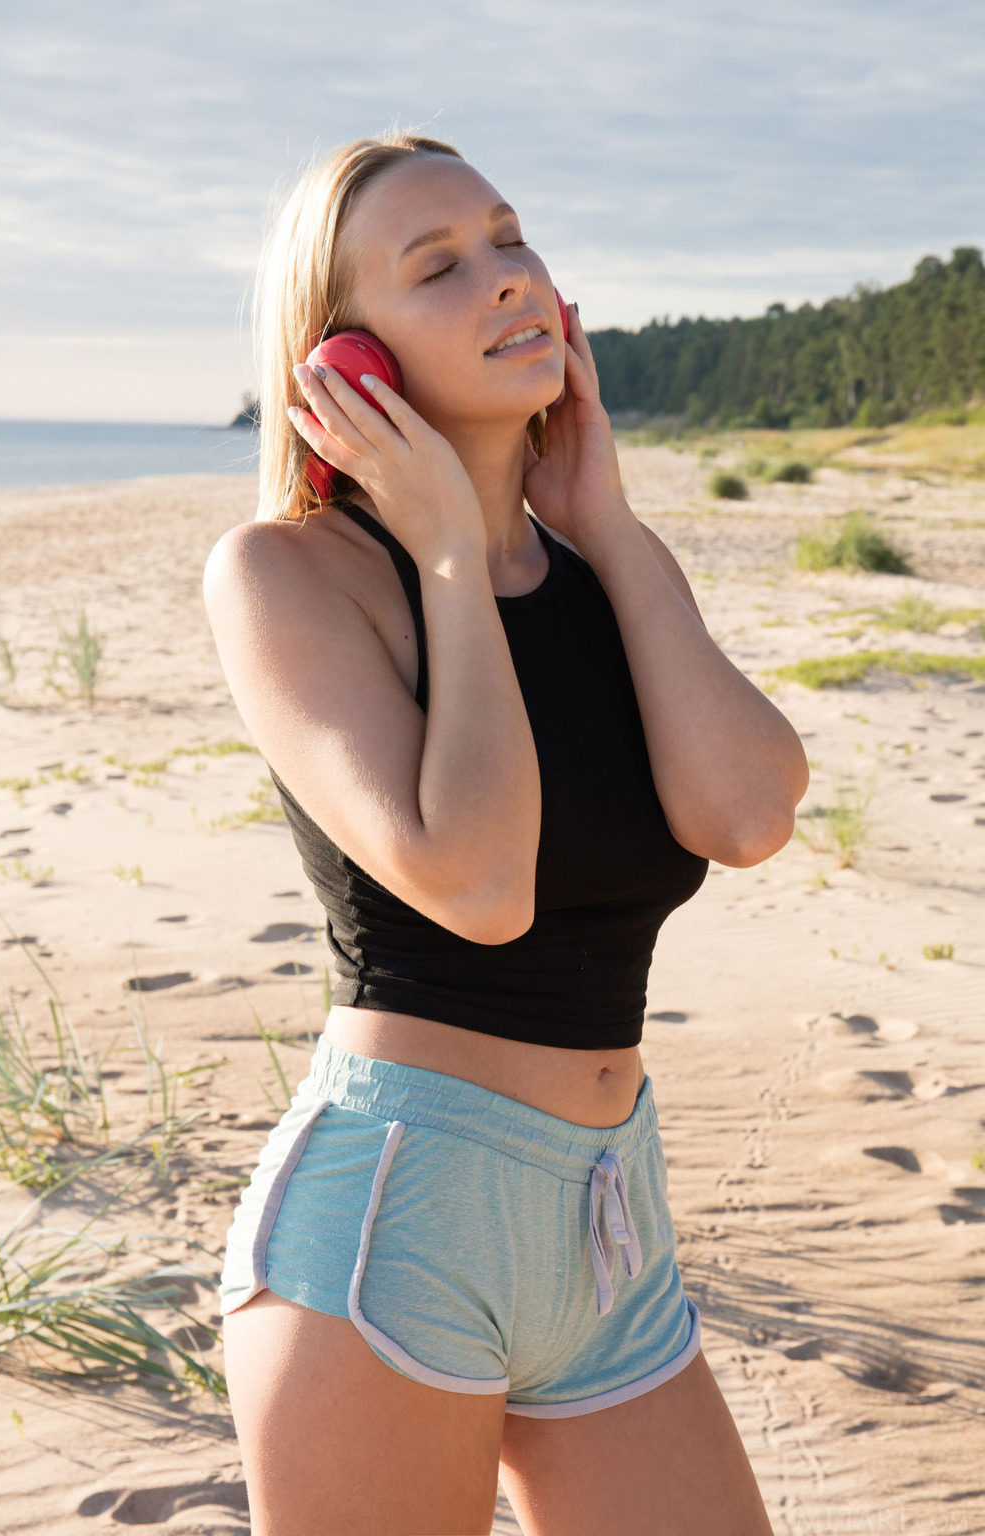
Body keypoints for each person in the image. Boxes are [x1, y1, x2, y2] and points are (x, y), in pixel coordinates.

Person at [204, 130, 809, 1536]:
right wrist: (445, 551)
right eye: (439, 266)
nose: (507, 276)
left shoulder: (603, 569)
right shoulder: (289, 577)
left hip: (610, 1224)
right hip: (398, 1219)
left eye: (509, 235)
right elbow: (476, 882)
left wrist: (606, 517)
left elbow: (747, 812)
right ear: (343, 360)